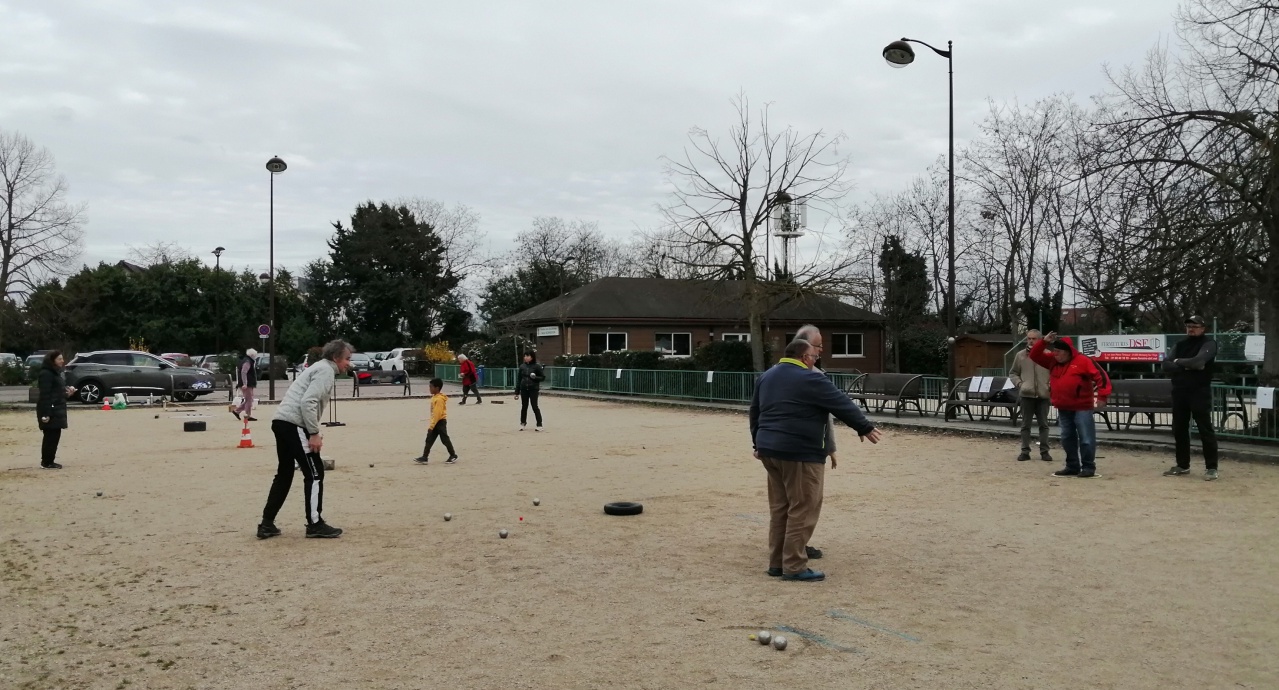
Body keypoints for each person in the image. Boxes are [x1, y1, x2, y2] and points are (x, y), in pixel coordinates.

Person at [750, 339, 882, 582]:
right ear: (803, 357)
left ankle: (777, 563)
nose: (816, 361)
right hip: (800, 452)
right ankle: (794, 565)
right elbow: (840, 402)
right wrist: (864, 427)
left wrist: (757, 444)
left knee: (780, 508)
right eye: (813, 356)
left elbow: (755, 411)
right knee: (803, 507)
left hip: (769, 449)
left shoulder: (767, 377)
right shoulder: (811, 378)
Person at [256, 339, 351, 540]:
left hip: (281, 421)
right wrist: (314, 433)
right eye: (347, 359)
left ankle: (266, 524)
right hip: (294, 424)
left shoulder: (318, 367)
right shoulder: (325, 371)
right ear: (335, 358)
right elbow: (308, 401)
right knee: (315, 473)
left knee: (284, 474)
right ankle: (315, 524)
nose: (348, 364)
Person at [1028, 333, 1111, 479]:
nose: (1055, 354)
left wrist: (1103, 396)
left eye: (1059, 352)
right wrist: (1044, 342)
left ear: (1068, 352)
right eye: (1054, 351)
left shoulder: (1083, 361)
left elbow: (1101, 376)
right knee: (1067, 437)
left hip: (1082, 406)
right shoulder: (1052, 361)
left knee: (1086, 437)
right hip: (1063, 406)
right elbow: (1034, 355)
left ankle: (1088, 466)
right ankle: (1072, 465)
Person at [1161, 315, 1220, 481]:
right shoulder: (1180, 344)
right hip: (1180, 390)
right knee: (1179, 428)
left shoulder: (1209, 343)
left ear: (1203, 328)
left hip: (1199, 391)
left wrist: (1178, 362)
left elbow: (1199, 361)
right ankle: (1182, 465)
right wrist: (1186, 365)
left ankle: (1211, 467)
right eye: (1188, 326)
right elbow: (1166, 364)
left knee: (1204, 428)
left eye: (1194, 326)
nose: (1191, 329)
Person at [794, 324, 833, 561]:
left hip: (780, 447)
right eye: (817, 346)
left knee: (787, 502)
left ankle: (786, 548)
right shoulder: (812, 377)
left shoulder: (775, 373)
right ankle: (797, 548)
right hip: (804, 449)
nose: (821, 352)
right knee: (807, 500)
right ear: (805, 348)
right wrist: (864, 426)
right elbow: (829, 412)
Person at [1008, 329, 1053, 462]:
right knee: (1025, 425)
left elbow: (1055, 372)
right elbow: (1013, 373)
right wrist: (1020, 384)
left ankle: (1045, 451)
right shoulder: (1020, 355)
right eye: (1029, 338)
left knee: (1044, 425)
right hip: (1027, 394)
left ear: (1040, 340)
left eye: (1034, 338)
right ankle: (1025, 451)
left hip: (1043, 394)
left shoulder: (1048, 355)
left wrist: (1050, 384)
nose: (1031, 341)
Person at [36, 351, 76, 470]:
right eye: (59, 359)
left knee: (54, 435)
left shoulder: (56, 373)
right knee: (50, 436)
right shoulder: (46, 374)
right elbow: (45, 394)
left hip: (57, 407)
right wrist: (46, 413)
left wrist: (67, 394)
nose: (62, 361)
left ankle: (49, 460)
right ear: (52, 360)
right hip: (50, 408)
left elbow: (57, 392)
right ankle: (47, 462)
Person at [415, 378, 458, 464]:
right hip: (435, 421)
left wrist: (431, 426)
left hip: (440, 422)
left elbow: (437, 414)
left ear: (437, 388)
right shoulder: (435, 397)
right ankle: (425, 457)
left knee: (444, 439)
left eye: (431, 387)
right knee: (429, 439)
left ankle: (453, 455)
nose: (429, 389)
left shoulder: (439, 399)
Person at [514, 351, 544, 431]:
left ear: (532, 357)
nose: (526, 357)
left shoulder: (537, 366)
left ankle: (539, 424)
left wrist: (535, 378)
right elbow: (519, 379)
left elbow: (543, 377)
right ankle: (522, 423)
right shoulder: (522, 366)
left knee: (535, 406)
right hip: (524, 389)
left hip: (533, 389)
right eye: (525, 356)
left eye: (528, 356)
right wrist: (517, 391)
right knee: (524, 406)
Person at [230, 348, 258, 422]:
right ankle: (247, 415)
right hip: (247, 384)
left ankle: (237, 411)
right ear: (252, 355)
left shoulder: (245, 360)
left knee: (249, 399)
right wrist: (245, 383)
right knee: (249, 399)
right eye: (255, 355)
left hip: (246, 383)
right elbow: (244, 372)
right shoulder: (248, 362)